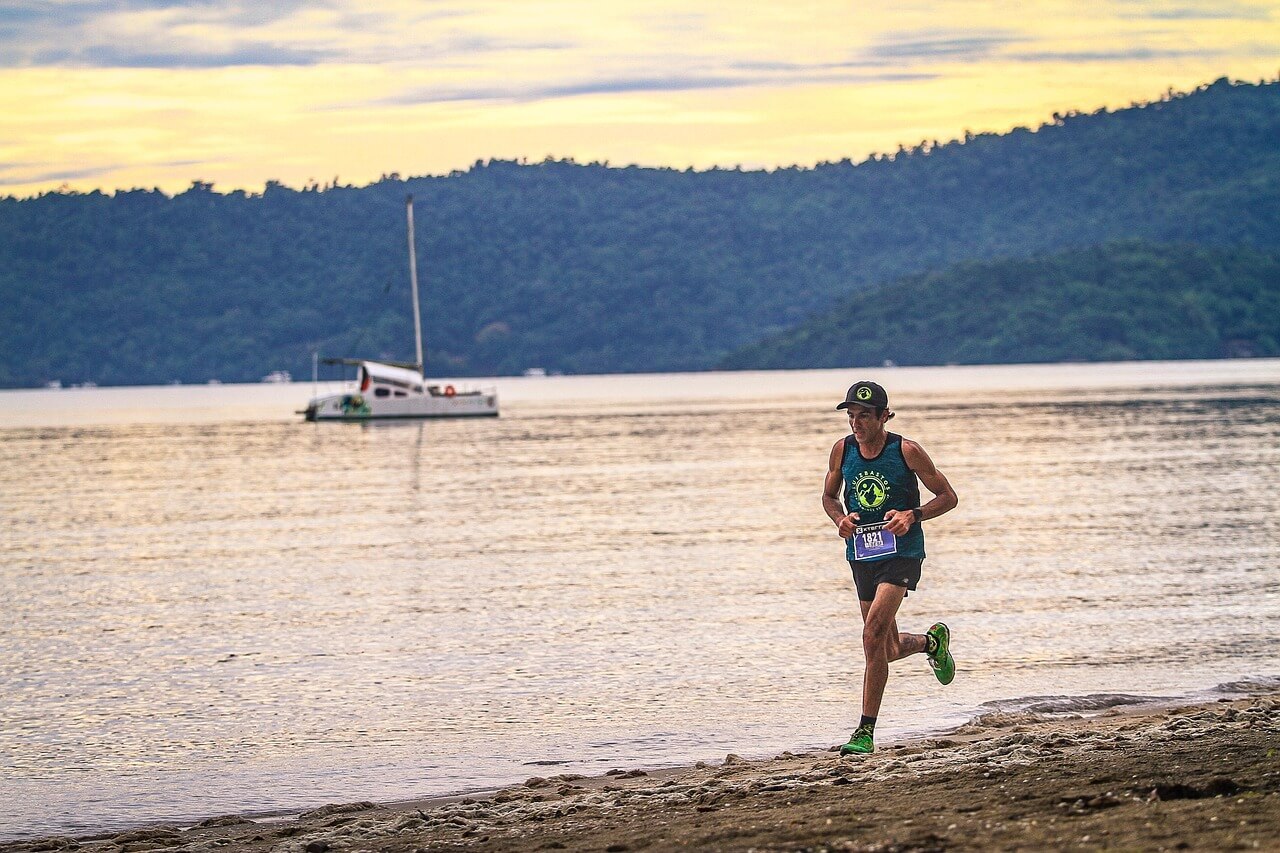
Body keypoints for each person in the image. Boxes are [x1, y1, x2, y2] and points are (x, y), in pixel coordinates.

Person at [822, 380, 958, 755]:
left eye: (865, 415)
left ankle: (864, 732)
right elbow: (829, 497)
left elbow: (948, 497)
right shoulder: (842, 450)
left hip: (902, 552)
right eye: (851, 415)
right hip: (863, 554)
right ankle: (932, 642)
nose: (856, 423)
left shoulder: (907, 451)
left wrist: (912, 515)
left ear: (884, 416)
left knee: (871, 634)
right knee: (889, 647)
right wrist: (840, 520)